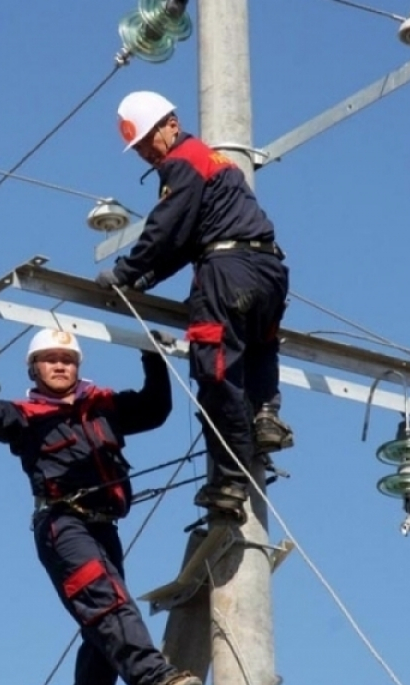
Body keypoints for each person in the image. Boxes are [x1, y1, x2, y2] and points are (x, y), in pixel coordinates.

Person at [0, 328, 202, 685]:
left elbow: (155, 409)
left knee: (102, 632)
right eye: (50, 360)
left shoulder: (102, 405)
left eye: (68, 360)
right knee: (106, 603)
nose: (60, 365)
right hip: (62, 526)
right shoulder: (27, 416)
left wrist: (152, 356)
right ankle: (155, 678)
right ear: (33, 369)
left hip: (104, 530)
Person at [94, 90, 295, 519]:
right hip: (268, 272)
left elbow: (167, 229)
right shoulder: (213, 165)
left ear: (172, 122)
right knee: (258, 347)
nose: (148, 152)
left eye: (150, 140)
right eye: (141, 147)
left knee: (215, 372)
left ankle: (230, 479)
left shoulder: (182, 161)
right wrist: (146, 278)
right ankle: (265, 416)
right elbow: (187, 238)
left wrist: (127, 272)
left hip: (226, 274)